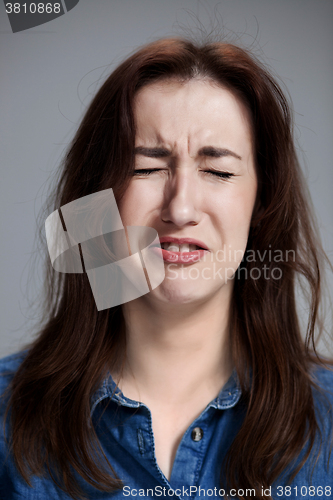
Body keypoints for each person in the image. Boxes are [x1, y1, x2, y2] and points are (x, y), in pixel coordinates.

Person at [0, 38, 332, 500]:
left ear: (262, 204)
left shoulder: (328, 421)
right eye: (145, 168)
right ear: (97, 203)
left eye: (217, 172)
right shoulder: (6, 416)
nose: (180, 208)